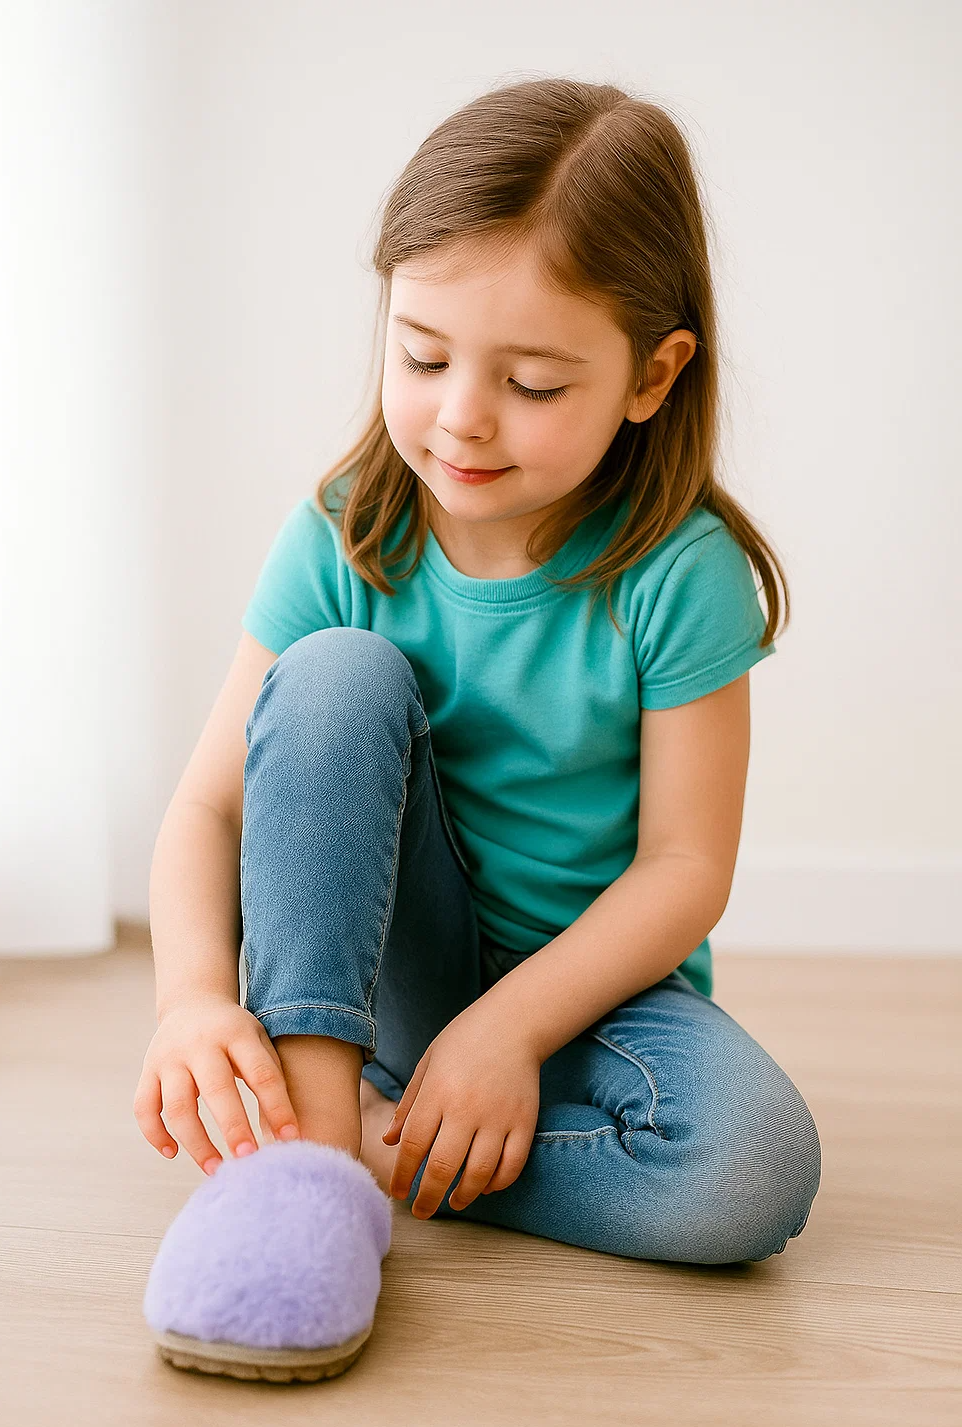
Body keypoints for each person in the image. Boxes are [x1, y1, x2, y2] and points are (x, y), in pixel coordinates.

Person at [134, 75, 821, 1268]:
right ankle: (316, 1140)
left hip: (589, 1003)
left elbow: (684, 868)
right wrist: (190, 998)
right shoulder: (343, 535)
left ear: (652, 377)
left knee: (749, 1169)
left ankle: (370, 1144)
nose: (460, 418)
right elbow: (208, 809)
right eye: (422, 356)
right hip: (377, 988)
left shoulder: (678, 572)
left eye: (532, 384)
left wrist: (506, 1032)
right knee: (336, 675)